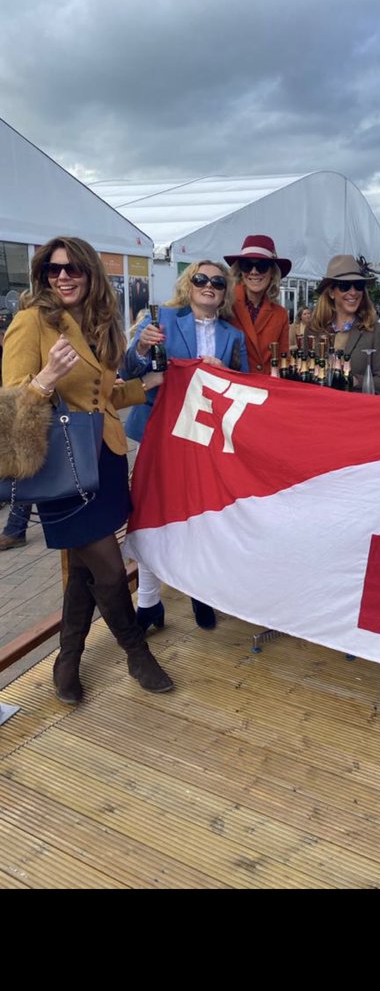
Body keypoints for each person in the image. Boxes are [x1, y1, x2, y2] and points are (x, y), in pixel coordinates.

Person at [1, 236, 173, 704]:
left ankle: (67, 659)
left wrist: (143, 386)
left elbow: (102, 400)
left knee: (84, 568)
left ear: (90, 273)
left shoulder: (101, 322)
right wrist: (46, 379)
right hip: (61, 468)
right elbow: (10, 409)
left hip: (106, 460)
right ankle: (136, 653)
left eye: (74, 268)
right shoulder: (29, 322)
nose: (63, 277)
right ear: (43, 275)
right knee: (111, 571)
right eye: (54, 270)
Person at [123, 260, 248, 633]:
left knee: (201, 516)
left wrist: (221, 372)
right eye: (201, 279)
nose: (209, 286)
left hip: (202, 440)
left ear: (225, 292)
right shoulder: (161, 319)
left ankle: (200, 591)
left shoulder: (232, 336)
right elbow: (129, 369)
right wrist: (143, 347)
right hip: (159, 434)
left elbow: (243, 386)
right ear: (188, 283)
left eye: (217, 282)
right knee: (151, 512)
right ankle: (148, 601)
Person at [306, 255, 380, 392]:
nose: (353, 292)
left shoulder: (375, 331)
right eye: (344, 286)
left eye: (358, 286)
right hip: (319, 409)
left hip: (357, 410)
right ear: (331, 293)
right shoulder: (314, 330)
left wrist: (352, 380)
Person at [223, 235, 291, 374]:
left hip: (265, 389)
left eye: (262, 266)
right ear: (240, 271)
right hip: (233, 386)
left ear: (272, 272)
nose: (254, 272)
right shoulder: (225, 303)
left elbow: (284, 359)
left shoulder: (280, 314)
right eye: (247, 266)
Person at [0, 310, 33, 550]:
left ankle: (15, 528)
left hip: (19, 416)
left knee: (24, 476)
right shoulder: (23, 327)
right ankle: (14, 528)